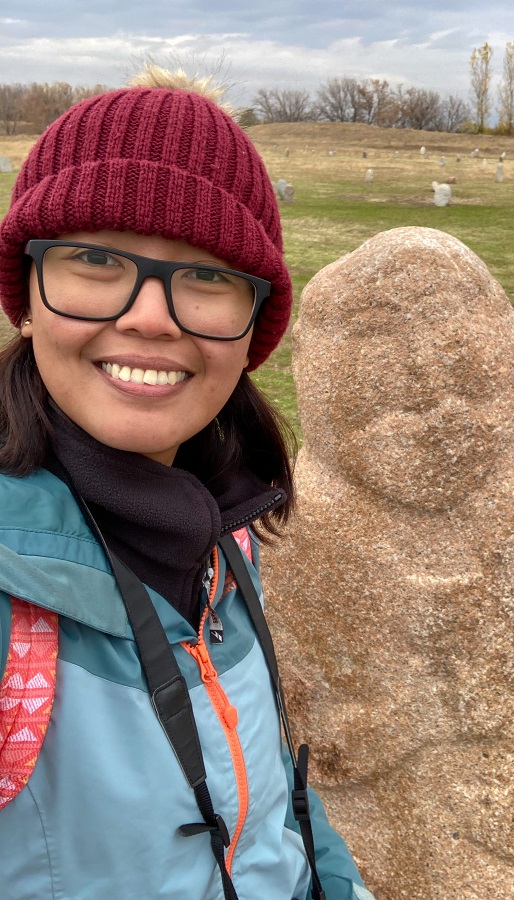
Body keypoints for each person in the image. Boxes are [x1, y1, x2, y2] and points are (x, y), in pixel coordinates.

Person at [0, 67, 373, 900]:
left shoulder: (228, 528)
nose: (150, 317)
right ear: (25, 289)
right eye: (96, 259)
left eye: (206, 275)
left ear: (254, 327)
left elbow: (270, 794)